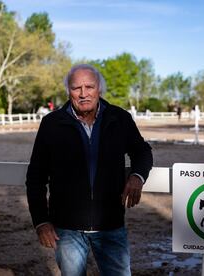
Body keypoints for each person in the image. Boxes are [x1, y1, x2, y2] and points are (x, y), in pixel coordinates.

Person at [25, 64, 153, 275]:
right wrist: (40, 221)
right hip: (67, 231)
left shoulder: (119, 118)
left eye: (89, 87)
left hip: (111, 227)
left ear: (99, 89)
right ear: (69, 91)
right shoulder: (52, 124)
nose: (83, 94)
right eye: (77, 88)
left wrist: (137, 176)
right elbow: (36, 177)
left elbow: (142, 151)